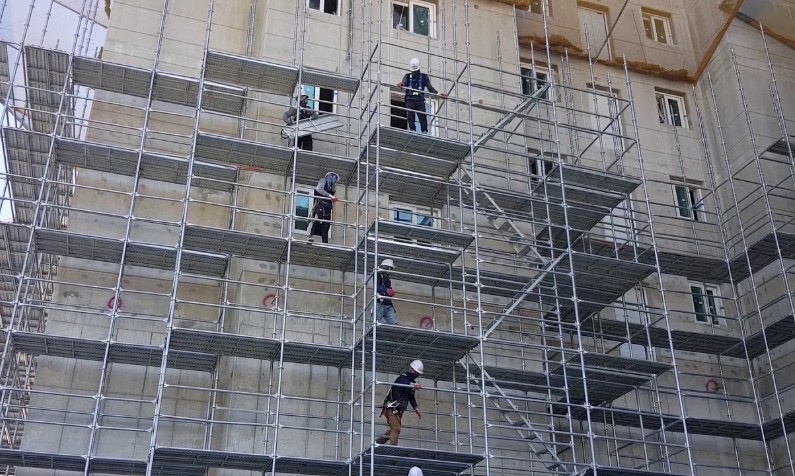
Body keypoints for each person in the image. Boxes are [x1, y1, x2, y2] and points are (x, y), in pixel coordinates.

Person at [376, 360, 423, 446]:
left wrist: (416, 408)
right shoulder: (402, 378)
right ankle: (393, 448)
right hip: (391, 408)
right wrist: (413, 385)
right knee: (396, 429)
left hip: (398, 410)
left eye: (417, 373)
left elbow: (411, 397)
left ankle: (380, 441)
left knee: (395, 429)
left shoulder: (412, 383)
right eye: (414, 371)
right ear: (410, 369)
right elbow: (403, 383)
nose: (415, 374)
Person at [397, 58, 446, 134]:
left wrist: (438, 94)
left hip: (419, 100)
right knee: (410, 116)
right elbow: (403, 83)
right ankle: (412, 130)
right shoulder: (407, 76)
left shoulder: (424, 77)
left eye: (416, 70)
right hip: (410, 99)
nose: (414, 72)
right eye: (414, 70)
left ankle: (424, 131)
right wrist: (401, 84)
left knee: (422, 117)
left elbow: (430, 88)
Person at [309, 172, 339, 243]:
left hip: (328, 208)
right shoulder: (323, 180)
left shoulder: (332, 187)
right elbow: (319, 189)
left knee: (326, 225)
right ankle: (311, 237)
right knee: (317, 220)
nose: (334, 180)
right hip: (321, 204)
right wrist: (330, 196)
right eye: (333, 177)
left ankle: (325, 242)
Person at [376, 259, 397, 324]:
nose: (389, 270)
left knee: (393, 324)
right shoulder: (378, 274)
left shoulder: (387, 278)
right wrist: (386, 290)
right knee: (377, 323)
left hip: (388, 304)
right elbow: (376, 287)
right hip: (380, 303)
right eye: (389, 268)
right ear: (385, 267)